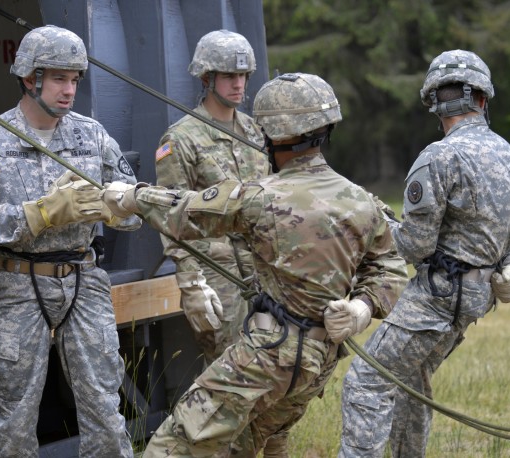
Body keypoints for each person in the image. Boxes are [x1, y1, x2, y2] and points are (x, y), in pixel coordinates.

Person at [100, 72, 409, 457]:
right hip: (316, 365)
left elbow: (188, 212)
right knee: (241, 447)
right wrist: (362, 309)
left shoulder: (260, 197)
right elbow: (391, 268)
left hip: (262, 358)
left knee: (171, 447)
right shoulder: (361, 200)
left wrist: (131, 196)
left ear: (272, 137)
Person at [339, 49, 510, 457]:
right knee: (412, 382)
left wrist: (378, 221)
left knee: (367, 380)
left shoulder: (439, 157)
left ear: (434, 103)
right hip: (472, 303)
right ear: (483, 100)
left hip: (434, 302)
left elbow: (414, 245)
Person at [0, 25, 141, 457]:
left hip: (83, 277)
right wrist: (40, 214)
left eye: (75, 79)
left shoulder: (91, 135)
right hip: (20, 282)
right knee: (16, 418)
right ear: (29, 78)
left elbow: (133, 211)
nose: (69, 90)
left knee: (105, 411)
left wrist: (114, 206)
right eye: (58, 78)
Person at [155, 29, 270, 365]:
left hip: (262, 265)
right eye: (229, 76)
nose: (239, 84)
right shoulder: (181, 139)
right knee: (230, 364)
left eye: (243, 75)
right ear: (207, 78)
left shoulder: (256, 132)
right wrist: (191, 282)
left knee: (272, 359)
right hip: (216, 270)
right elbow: (170, 215)